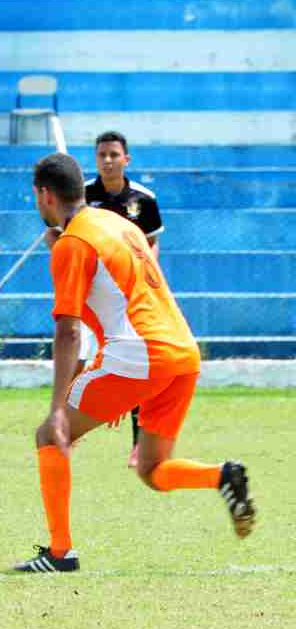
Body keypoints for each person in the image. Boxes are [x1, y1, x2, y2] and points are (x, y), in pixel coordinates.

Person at [14, 153, 255, 573]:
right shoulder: (120, 225)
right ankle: (222, 475)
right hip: (181, 352)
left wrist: (58, 409)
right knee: (152, 468)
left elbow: (69, 332)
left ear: (44, 195)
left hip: (140, 354)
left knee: (50, 436)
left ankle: (59, 552)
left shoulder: (74, 244)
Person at [85, 131, 165, 468]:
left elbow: (151, 244)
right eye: (102, 154)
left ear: (126, 159)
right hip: (92, 294)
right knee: (80, 359)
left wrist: (148, 280)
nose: (107, 160)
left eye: (113, 155)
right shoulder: (84, 195)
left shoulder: (143, 199)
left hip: (130, 295)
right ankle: (67, 429)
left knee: (137, 363)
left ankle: (138, 443)